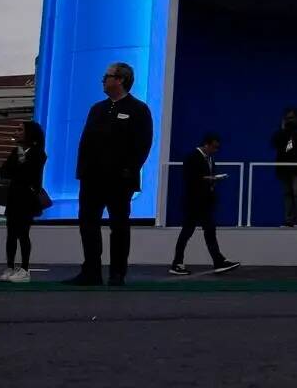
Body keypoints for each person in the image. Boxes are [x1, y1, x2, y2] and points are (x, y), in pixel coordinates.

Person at [63, 62, 153, 287]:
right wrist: (82, 171)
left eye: (107, 76)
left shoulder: (138, 109)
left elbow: (143, 145)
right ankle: (91, 271)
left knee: (119, 226)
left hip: (120, 180)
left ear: (120, 79)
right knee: (87, 223)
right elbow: (85, 142)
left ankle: (117, 273)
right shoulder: (97, 109)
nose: (103, 80)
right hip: (92, 179)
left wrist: (128, 171)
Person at [169, 133, 240, 276]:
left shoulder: (210, 159)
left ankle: (217, 261)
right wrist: (211, 178)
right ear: (206, 145)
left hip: (204, 202)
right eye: (214, 147)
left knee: (208, 231)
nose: (216, 150)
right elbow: (190, 179)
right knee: (188, 232)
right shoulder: (192, 157)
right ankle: (178, 263)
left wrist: (213, 181)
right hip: (194, 202)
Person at [0, 121, 47, 284]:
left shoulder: (38, 153)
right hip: (13, 198)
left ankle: (25, 268)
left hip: (27, 199)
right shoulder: (15, 152)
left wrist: (20, 163)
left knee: (23, 233)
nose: (17, 132)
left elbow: (30, 174)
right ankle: (10, 266)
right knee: (11, 233)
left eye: (21, 130)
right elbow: (4, 171)